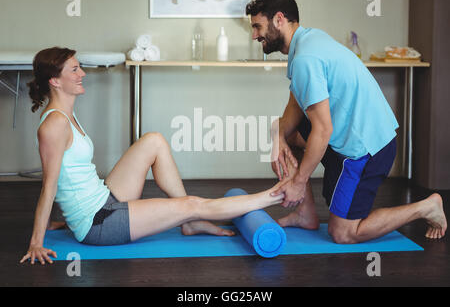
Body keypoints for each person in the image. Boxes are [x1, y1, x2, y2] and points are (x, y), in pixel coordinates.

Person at [20, 47, 284, 265]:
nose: (83, 74)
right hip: (98, 224)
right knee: (192, 204)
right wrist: (36, 242)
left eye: (80, 67)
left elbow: (70, 176)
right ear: (55, 81)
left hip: (103, 199)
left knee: (153, 141)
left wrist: (63, 218)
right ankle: (273, 195)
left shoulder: (67, 114)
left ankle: (190, 224)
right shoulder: (54, 125)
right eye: (74, 70)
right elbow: (50, 185)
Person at [245, 0, 447, 244]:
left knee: (343, 233)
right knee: (287, 132)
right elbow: (295, 105)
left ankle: (425, 207)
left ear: (279, 19)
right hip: (348, 138)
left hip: (365, 151)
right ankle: (306, 214)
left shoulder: (306, 57)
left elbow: (322, 130)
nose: (254, 35)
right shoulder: (307, 42)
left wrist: (298, 181)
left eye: (257, 26)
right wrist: (278, 138)